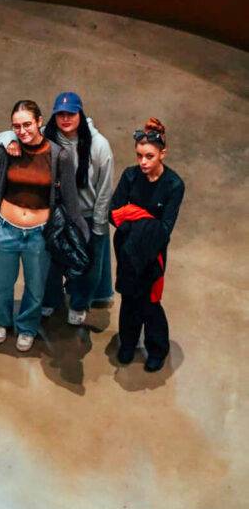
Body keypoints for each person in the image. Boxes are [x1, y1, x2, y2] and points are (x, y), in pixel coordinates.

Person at [0, 100, 88, 351]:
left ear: (39, 122)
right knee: (2, 284)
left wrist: (81, 234)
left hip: (39, 235)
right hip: (6, 230)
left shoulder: (60, 156)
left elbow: (70, 200)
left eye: (28, 124)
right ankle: (1, 320)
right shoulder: (6, 151)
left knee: (36, 287)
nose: (23, 131)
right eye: (16, 126)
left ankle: (27, 325)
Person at [110, 117, 184, 372]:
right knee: (129, 299)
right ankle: (128, 344)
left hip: (154, 255)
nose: (143, 162)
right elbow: (112, 214)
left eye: (149, 156)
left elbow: (163, 230)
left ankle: (157, 348)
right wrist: (139, 218)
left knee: (150, 302)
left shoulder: (174, 185)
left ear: (163, 153)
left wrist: (132, 213)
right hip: (127, 251)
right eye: (139, 155)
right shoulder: (130, 176)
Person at [36, 91, 113, 323]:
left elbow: (104, 188)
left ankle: (79, 304)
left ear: (80, 113)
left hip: (87, 216)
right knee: (49, 263)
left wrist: (98, 225)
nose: (65, 119)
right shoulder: (45, 139)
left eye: (71, 114)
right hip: (55, 215)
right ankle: (50, 299)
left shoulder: (99, 145)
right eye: (60, 114)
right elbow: (17, 134)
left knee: (87, 267)